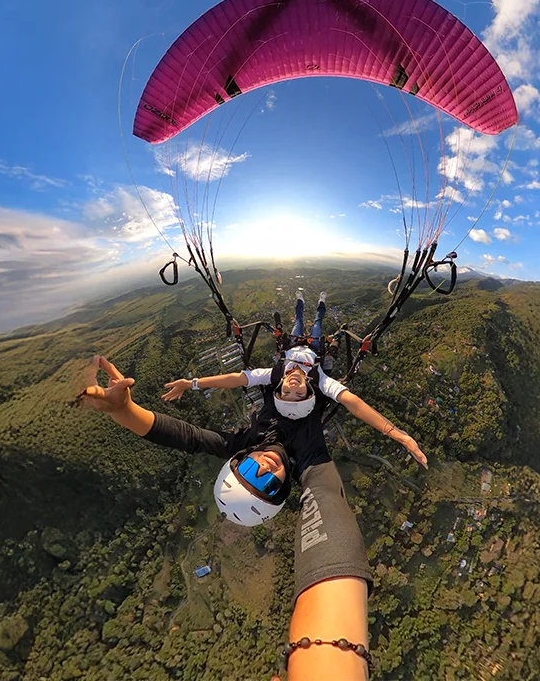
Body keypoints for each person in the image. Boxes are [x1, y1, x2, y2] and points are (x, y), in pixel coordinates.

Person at [78, 355, 377, 679]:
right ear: (283, 487)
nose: (263, 467)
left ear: (241, 457)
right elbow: (328, 506)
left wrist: (124, 411)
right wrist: (330, 663)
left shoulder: (242, 443)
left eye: (248, 469)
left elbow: (189, 438)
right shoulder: (310, 460)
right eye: (266, 482)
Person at [162, 291, 428, 468]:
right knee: (317, 323)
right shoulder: (320, 380)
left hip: (291, 345)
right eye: (299, 395)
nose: (292, 388)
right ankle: (321, 301)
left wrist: (191, 383)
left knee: (298, 320)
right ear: (309, 392)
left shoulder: (275, 374)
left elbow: (235, 379)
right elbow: (354, 403)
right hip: (315, 348)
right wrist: (399, 436)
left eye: (285, 394)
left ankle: (299, 299)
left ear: (278, 389)